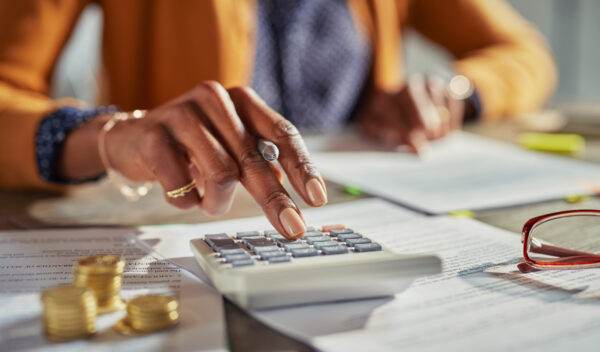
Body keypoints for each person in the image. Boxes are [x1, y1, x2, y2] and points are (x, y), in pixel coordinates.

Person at [0, 0, 556, 238]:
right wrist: (111, 136)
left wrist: (456, 92)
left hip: (373, 221)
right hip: (184, 227)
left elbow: (524, 54)